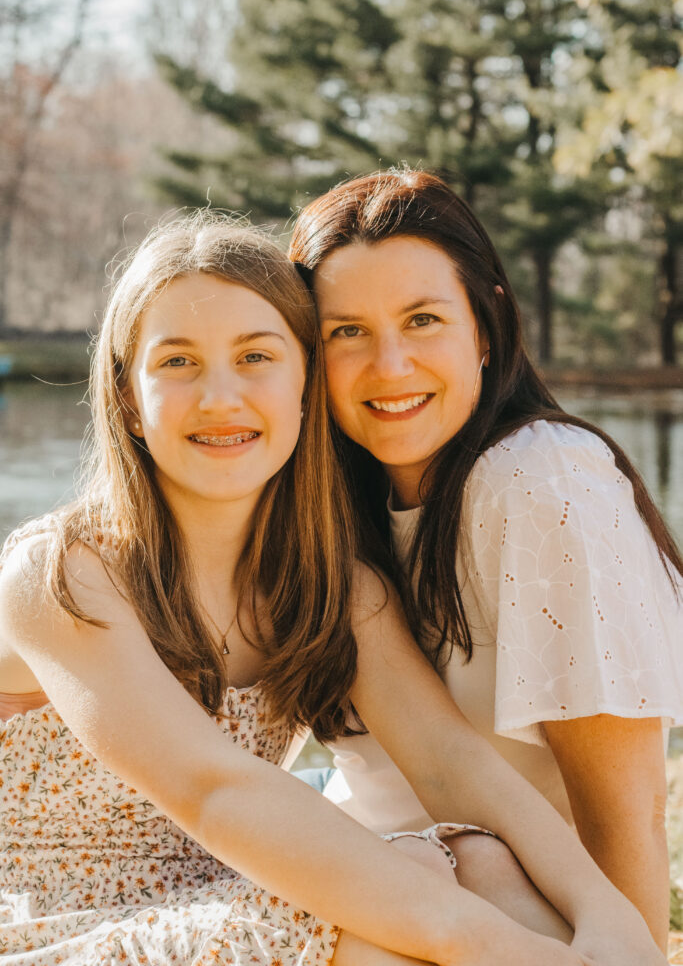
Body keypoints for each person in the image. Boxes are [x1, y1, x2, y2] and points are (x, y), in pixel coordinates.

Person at [0, 214, 665, 966]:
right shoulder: (61, 575)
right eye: (177, 363)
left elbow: (453, 764)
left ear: (306, 385)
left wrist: (606, 919)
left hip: (230, 897)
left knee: (479, 859)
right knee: (381, 926)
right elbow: (216, 791)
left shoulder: (329, 585)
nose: (220, 397)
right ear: (127, 397)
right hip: (65, 922)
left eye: (255, 356)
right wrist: (498, 948)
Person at [289, 168, 683, 953]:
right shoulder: (327, 508)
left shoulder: (542, 481)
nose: (390, 366)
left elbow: (625, 812)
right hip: (373, 888)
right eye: (347, 332)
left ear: (485, 326)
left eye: (423, 319)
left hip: (514, 914)